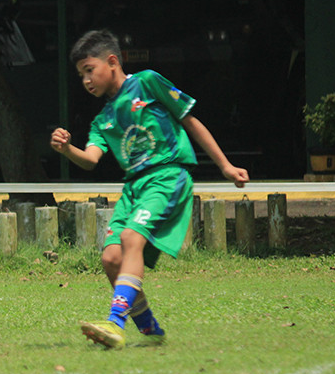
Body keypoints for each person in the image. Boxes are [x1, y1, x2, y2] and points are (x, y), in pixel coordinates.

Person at [50, 29, 249, 349]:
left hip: (167, 177)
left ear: (112, 62)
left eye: (90, 70)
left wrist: (224, 166)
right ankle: (149, 327)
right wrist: (68, 150)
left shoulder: (147, 82)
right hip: (134, 189)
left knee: (131, 240)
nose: (86, 80)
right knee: (111, 258)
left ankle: (115, 324)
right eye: (81, 75)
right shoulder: (102, 120)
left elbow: (189, 119)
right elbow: (90, 160)